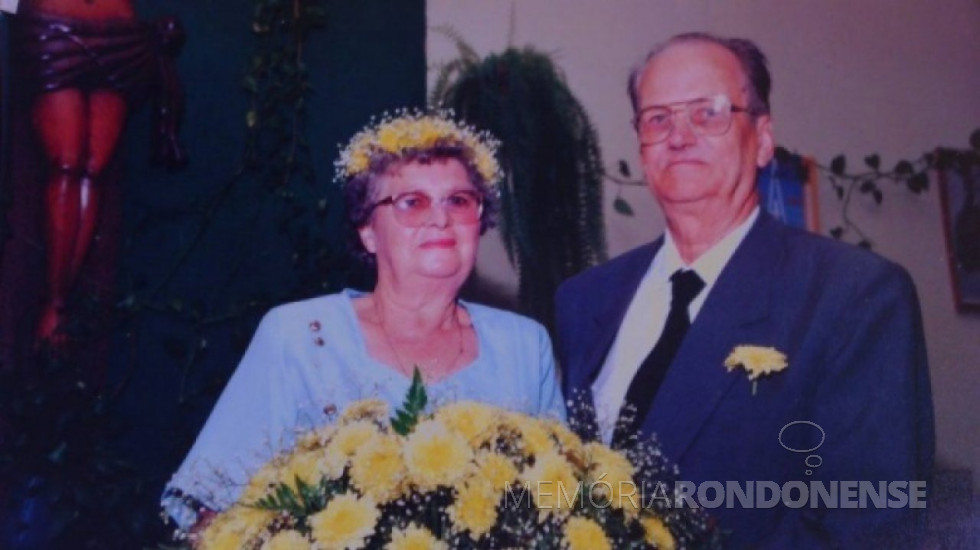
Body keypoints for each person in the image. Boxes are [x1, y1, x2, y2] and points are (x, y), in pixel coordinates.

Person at [555, 33, 933, 547]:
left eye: (708, 113)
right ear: (641, 146)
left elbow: (867, 524)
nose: (679, 135)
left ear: (763, 138)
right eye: (658, 118)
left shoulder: (853, 296)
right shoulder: (584, 299)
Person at [162, 110, 565, 534]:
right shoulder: (298, 337)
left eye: (459, 201)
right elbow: (208, 515)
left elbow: (563, 500)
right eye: (412, 202)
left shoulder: (524, 345)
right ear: (367, 232)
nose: (441, 219)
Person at [14, 0, 185, 347]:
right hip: (54, 26)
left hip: (119, 39)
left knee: (93, 170)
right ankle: (54, 304)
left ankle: (59, 301)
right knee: (67, 163)